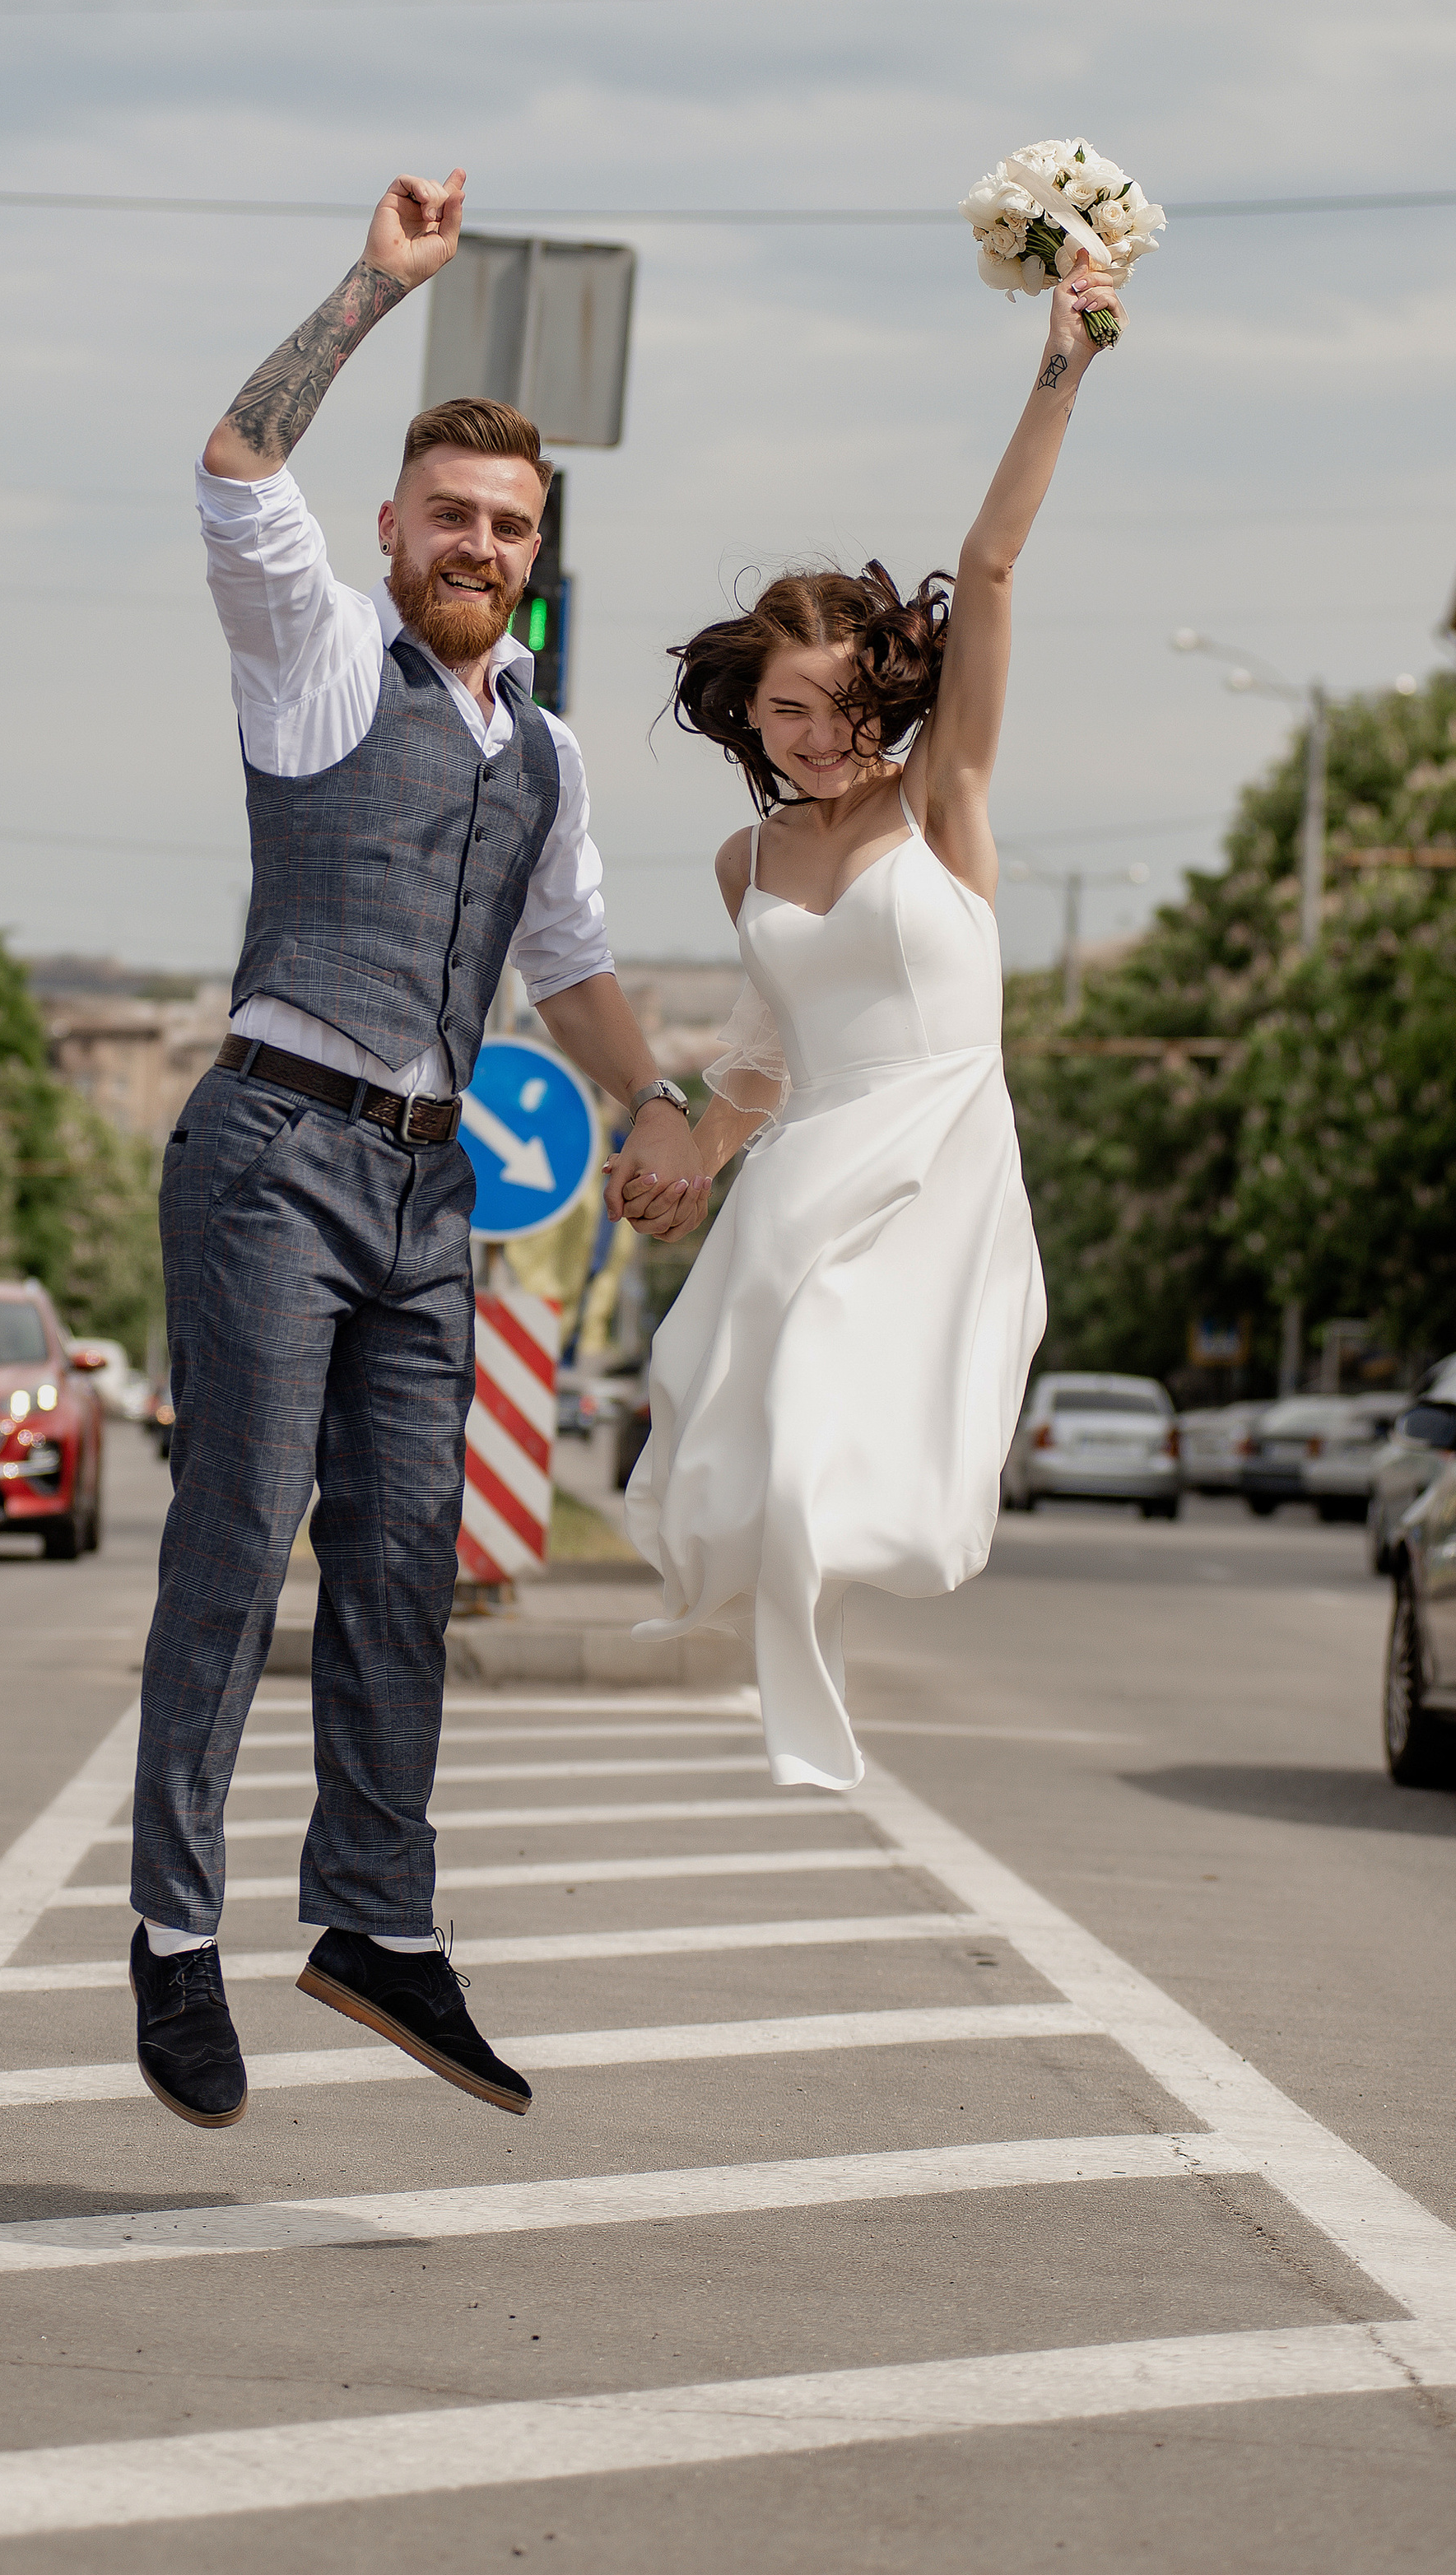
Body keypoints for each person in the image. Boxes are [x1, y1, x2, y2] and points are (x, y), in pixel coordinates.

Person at [130, 168, 700, 2130]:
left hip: (425, 1183)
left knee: (396, 1560)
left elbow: (577, 969)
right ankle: (172, 1940)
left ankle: (374, 1918)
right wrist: (373, 290)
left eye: (510, 527)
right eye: (449, 517)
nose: (478, 543)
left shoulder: (542, 754)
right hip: (274, 1146)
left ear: (539, 558)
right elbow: (228, 459)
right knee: (237, 1539)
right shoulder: (309, 654)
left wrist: (661, 1105)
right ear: (391, 530)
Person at [615, 249, 1126, 1790]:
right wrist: (685, 1161)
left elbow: (994, 562)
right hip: (813, 1156)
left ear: (886, 703)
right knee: (772, 1402)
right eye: (785, 711)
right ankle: (798, 1657)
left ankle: (814, 1629)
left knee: (885, 1457)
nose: (818, 738)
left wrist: (1067, 359)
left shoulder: (943, 800)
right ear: (747, 714)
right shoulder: (746, 860)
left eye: (842, 707)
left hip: (943, 1148)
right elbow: (759, 1065)